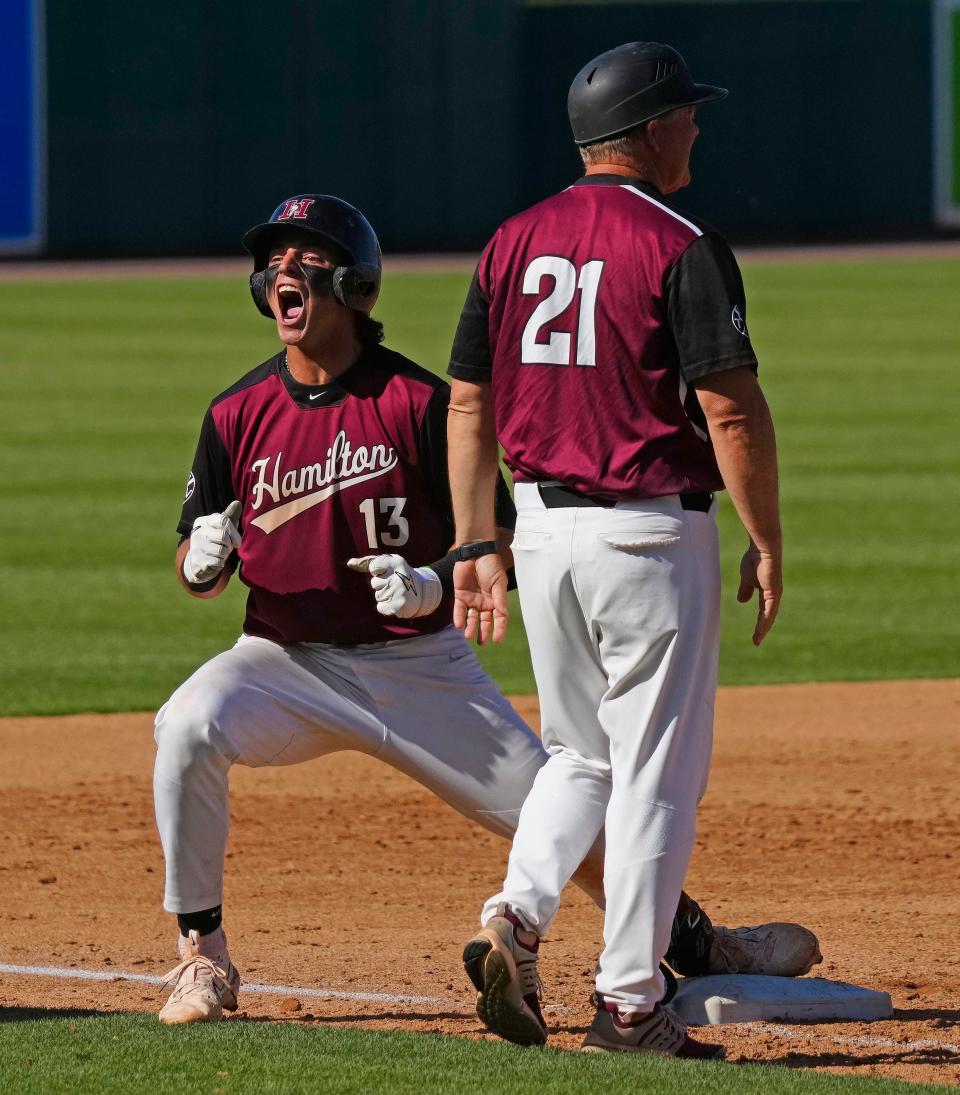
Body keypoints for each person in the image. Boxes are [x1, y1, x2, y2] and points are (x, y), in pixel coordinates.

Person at [154, 191, 810, 1027]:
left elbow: (495, 529)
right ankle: (202, 959)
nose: (281, 271)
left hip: (421, 668)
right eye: (272, 258)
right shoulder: (234, 414)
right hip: (283, 661)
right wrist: (199, 561)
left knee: (557, 799)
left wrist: (435, 579)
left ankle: (694, 937)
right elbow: (195, 562)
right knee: (185, 725)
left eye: (303, 254)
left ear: (354, 281)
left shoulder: (417, 404)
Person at [446, 42, 784, 1057]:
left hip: (543, 532)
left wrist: (476, 538)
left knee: (578, 753)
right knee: (654, 774)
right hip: (647, 534)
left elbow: (468, 400)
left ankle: (517, 912)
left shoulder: (511, 239)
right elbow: (729, 411)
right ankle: (633, 1004)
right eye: (684, 113)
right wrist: (766, 539)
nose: (697, 127)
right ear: (645, 131)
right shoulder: (681, 241)